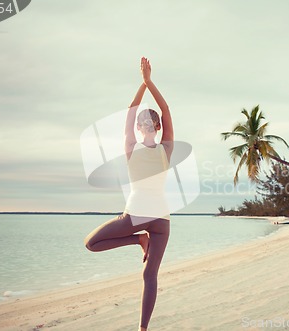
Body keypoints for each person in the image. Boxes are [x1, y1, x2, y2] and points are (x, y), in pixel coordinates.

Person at [84, 57, 173, 331]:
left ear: (150, 127)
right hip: (147, 218)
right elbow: (146, 109)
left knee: (148, 275)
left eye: (147, 121)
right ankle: (138, 241)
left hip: (149, 218)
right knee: (94, 244)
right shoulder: (148, 148)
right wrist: (145, 83)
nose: (144, 123)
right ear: (145, 127)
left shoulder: (151, 147)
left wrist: (146, 83)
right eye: (144, 121)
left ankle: (143, 328)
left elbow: (154, 109)